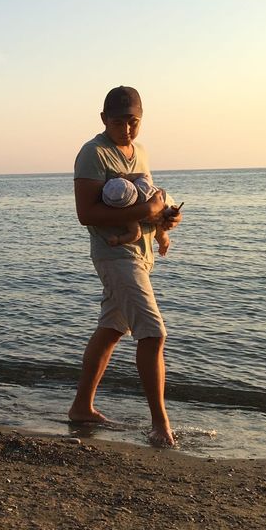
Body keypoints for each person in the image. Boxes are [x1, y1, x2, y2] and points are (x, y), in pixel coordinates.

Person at [68, 86, 182, 447]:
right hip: (115, 255)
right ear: (104, 119)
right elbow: (86, 213)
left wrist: (165, 217)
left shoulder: (140, 152)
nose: (127, 130)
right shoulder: (93, 153)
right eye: (119, 123)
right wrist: (146, 211)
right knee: (153, 333)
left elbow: (148, 201)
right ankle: (161, 425)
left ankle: (81, 408)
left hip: (142, 253)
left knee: (112, 329)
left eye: (134, 122)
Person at [101, 174, 182, 255]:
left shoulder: (131, 215)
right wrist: (126, 176)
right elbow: (144, 175)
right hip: (165, 197)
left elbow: (136, 234)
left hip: (162, 210)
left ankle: (164, 241)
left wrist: (118, 240)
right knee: (168, 218)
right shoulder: (140, 184)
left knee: (161, 229)